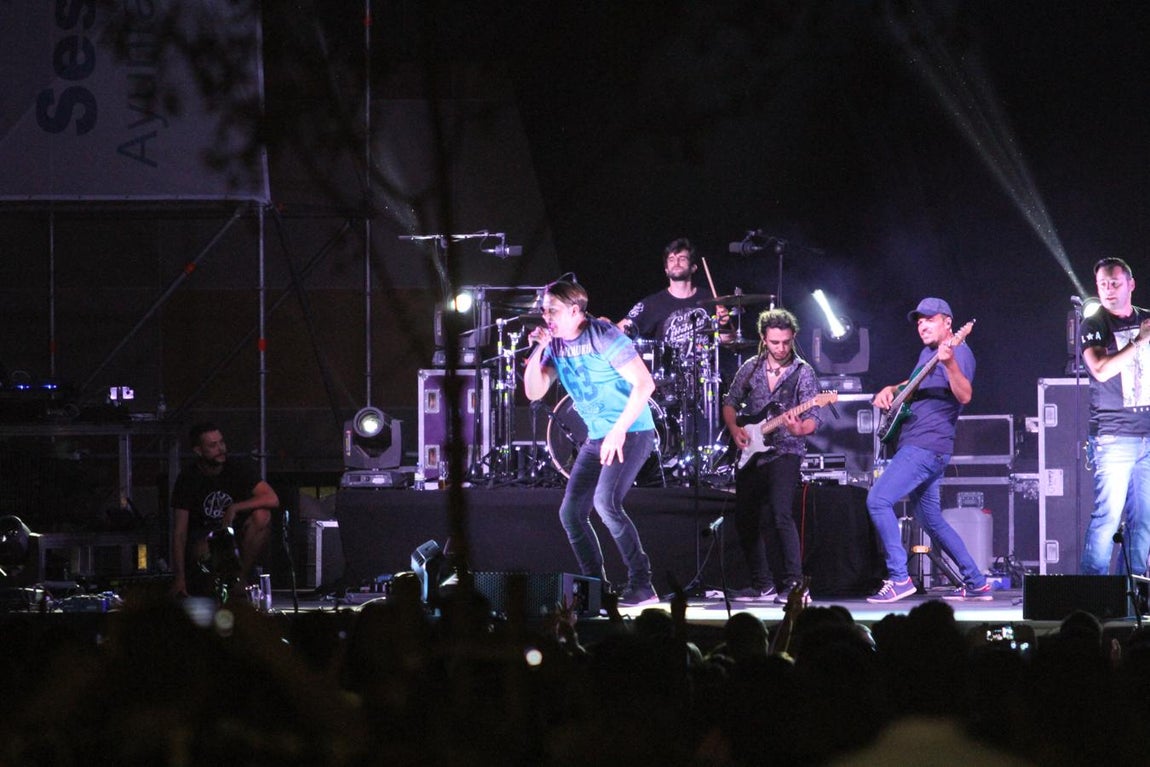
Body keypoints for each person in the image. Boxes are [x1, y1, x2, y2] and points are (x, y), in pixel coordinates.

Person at [524, 280, 660, 606]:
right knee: (571, 513)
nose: (547, 317)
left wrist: (618, 431)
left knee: (605, 503)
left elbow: (645, 384)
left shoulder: (603, 335)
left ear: (574, 311)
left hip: (632, 430)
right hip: (598, 436)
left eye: (553, 311)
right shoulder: (554, 345)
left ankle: (642, 585)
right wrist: (538, 349)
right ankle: (595, 588)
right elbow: (533, 391)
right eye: (543, 310)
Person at [865, 297, 990, 603]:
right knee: (930, 518)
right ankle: (976, 582)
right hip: (921, 444)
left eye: (929, 319)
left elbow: (964, 394)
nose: (922, 325)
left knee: (878, 500)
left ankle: (899, 578)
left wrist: (949, 363)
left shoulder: (958, 351)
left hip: (926, 445)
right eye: (919, 321)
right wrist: (891, 389)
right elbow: (917, 382)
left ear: (948, 323)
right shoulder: (927, 353)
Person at [721, 308, 822, 603]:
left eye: (786, 342)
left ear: (793, 339)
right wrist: (734, 429)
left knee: (781, 514)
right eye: (775, 342)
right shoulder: (750, 368)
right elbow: (730, 402)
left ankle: (795, 584)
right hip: (751, 451)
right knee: (745, 517)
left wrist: (800, 428)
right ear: (764, 339)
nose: (781, 348)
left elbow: (814, 414)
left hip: (786, 450)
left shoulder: (804, 372)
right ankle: (762, 584)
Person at [1078, 257, 1150, 579]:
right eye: (1103, 284)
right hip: (1113, 436)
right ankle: (1092, 597)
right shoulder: (1094, 325)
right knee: (1107, 517)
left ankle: (1136, 594)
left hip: (1148, 435)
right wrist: (1139, 341)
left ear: (1131, 285)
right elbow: (1100, 368)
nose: (1108, 290)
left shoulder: (1147, 320)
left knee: (1144, 520)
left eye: (1115, 283)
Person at [170, 422, 279, 598]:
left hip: (236, 532)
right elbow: (179, 532)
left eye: (221, 442)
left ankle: (241, 578)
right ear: (198, 451)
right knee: (203, 550)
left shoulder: (236, 467)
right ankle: (218, 587)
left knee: (262, 515)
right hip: (206, 537)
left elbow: (272, 498)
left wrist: (235, 507)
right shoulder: (188, 478)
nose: (220, 449)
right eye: (213, 445)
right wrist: (179, 577)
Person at [618, 237, 732, 348]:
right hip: (669, 367)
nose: (676, 262)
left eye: (682, 258)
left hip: (705, 366)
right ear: (666, 270)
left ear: (693, 267)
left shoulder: (710, 298)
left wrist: (723, 323)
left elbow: (729, 341)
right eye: (671, 259)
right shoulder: (652, 304)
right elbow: (620, 330)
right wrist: (605, 326)